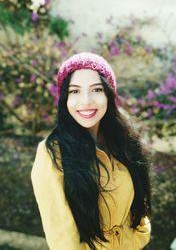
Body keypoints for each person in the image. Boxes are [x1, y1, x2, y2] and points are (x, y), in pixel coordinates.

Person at [31, 52, 151, 250]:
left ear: (108, 94)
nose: (85, 101)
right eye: (75, 91)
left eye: (96, 89)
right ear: (64, 99)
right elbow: (63, 240)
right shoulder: (51, 153)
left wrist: (139, 238)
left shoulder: (123, 141)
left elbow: (139, 206)